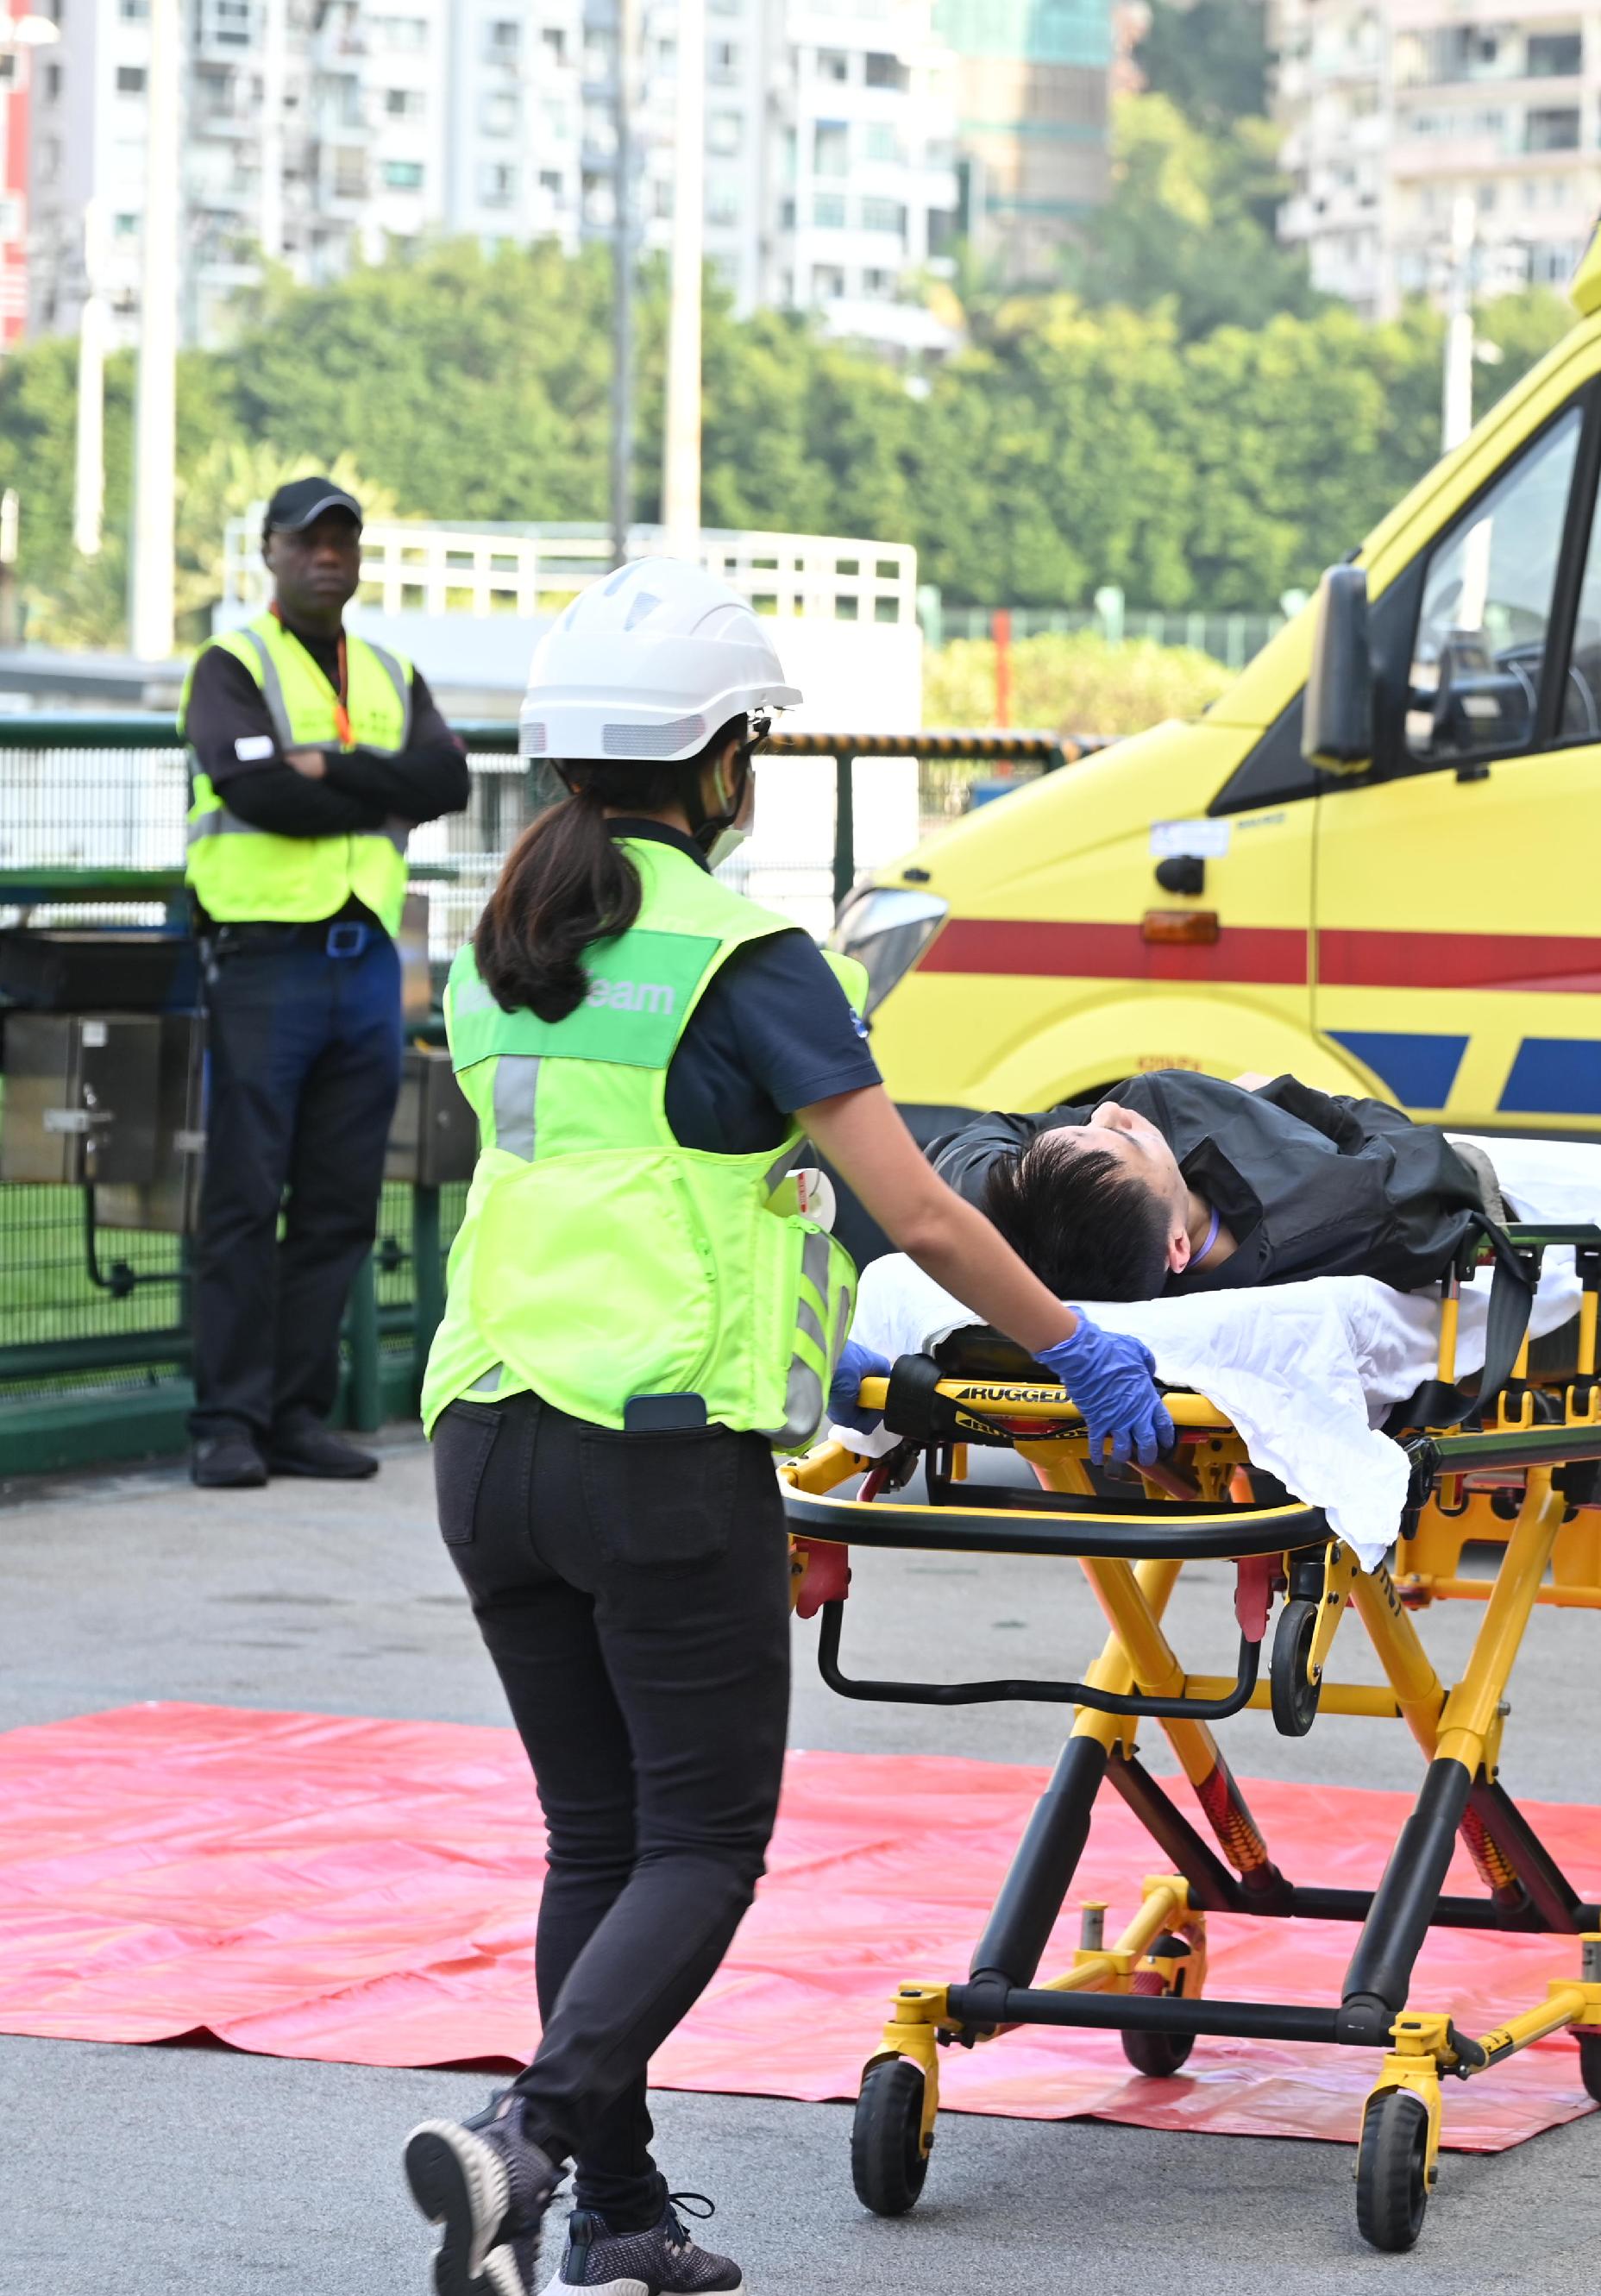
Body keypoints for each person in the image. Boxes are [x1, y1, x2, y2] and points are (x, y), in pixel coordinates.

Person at [397, 562, 1173, 2296]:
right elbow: (929, 1214)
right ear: (722, 760)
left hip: (488, 1432)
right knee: (697, 1845)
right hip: (656, 1449)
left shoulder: (505, 948)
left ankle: (612, 2214)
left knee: (593, 1841)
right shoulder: (746, 956)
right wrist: (1077, 1347)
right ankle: (523, 2145)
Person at [179, 475, 471, 1488]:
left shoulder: (390, 670)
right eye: (307, 541)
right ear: (269, 551)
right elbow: (254, 791)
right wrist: (362, 780)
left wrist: (326, 767)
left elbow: (449, 783)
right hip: (264, 965)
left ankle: (296, 1415)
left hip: (364, 970)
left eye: (342, 540)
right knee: (244, 1199)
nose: (327, 556)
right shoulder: (231, 664)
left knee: (344, 1204)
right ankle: (227, 1422)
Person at [924, 1066, 1503, 1303]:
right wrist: (1294, 1101)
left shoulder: (1047, 1210)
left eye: (1083, 1127)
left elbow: (965, 1153)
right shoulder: (1352, 1208)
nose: (1109, 1112)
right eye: (1128, 1140)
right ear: (1177, 1246)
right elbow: (1433, 1170)